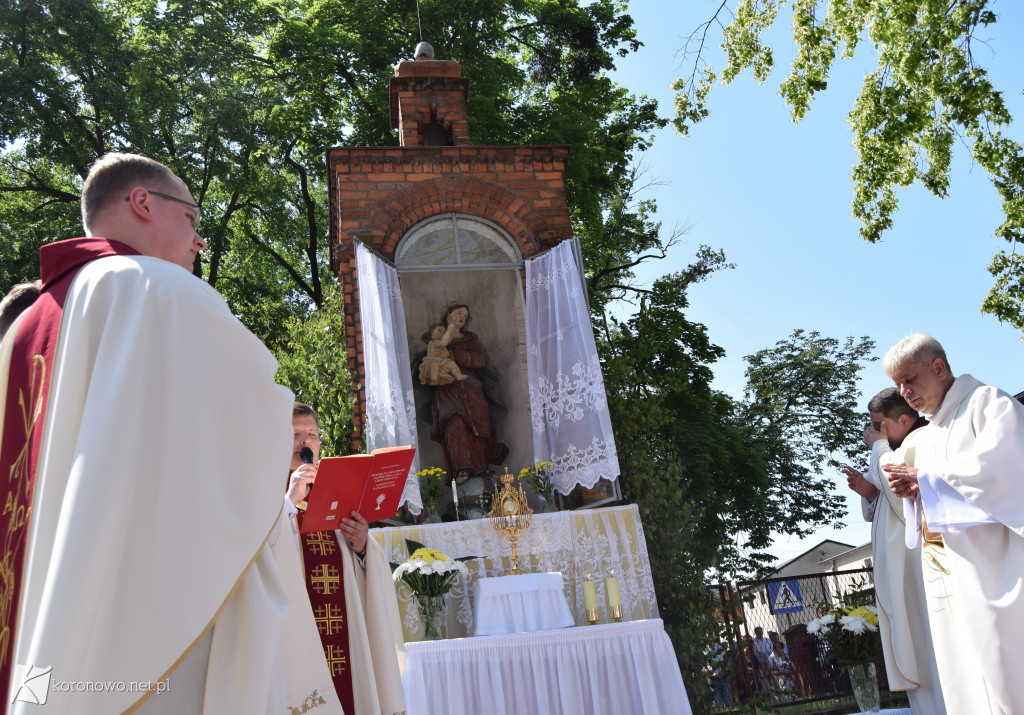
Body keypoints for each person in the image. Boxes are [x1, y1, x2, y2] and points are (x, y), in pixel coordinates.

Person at [0, 153, 325, 713]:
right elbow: (257, 428)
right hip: (147, 610)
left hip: (42, 622)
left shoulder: (30, 325)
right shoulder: (157, 290)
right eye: (193, 219)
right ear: (143, 203)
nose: (200, 241)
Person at [882, 333, 1024, 713]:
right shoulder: (928, 435)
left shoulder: (988, 404)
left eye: (909, 379)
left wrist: (924, 481)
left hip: (994, 572)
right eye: (898, 384)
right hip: (951, 575)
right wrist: (915, 493)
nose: (904, 391)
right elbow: (934, 498)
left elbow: (1006, 471)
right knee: (963, 678)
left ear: (939, 368)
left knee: (1004, 673)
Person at [285, 403, 406, 715]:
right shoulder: (268, 495)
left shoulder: (336, 490)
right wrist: (289, 502)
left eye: (311, 434)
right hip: (298, 634)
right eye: (296, 434)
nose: (304, 441)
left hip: (345, 629)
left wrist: (362, 545)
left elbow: (362, 561)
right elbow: (261, 551)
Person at [841, 388, 944, 714]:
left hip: (920, 562)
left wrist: (878, 448)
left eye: (878, 426)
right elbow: (886, 503)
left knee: (929, 640)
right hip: (900, 564)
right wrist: (869, 492)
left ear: (902, 419)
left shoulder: (924, 440)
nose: (872, 433)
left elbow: (905, 499)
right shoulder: (893, 450)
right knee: (912, 636)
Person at [421, 303, 508, 482]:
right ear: (449, 316)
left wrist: (457, 357)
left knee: (478, 429)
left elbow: (480, 360)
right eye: (459, 313)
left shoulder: (470, 340)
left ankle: (481, 467)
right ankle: (462, 468)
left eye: (466, 315)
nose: (462, 317)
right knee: (455, 425)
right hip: (448, 392)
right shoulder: (438, 339)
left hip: (472, 391)